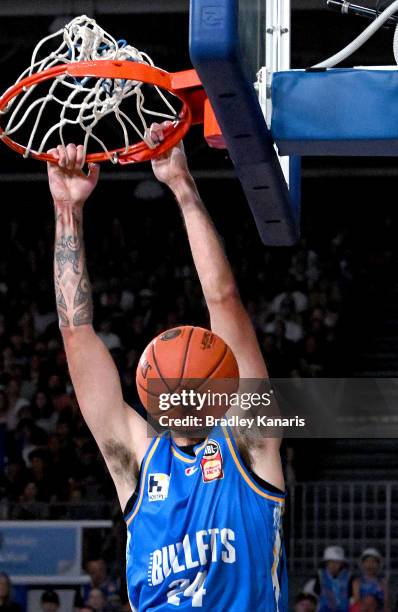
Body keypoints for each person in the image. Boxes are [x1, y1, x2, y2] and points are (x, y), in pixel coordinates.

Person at [46, 123, 287, 611]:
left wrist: (182, 186)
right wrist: (66, 210)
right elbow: (76, 334)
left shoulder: (248, 440)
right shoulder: (138, 459)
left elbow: (224, 301)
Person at [304, 546, 351, 612]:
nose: (334, 565)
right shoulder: (315, 581)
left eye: (337, 562)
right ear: (326, 563)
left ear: (342, 563)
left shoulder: (350, 579)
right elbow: (307, 603)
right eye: (331, 561)